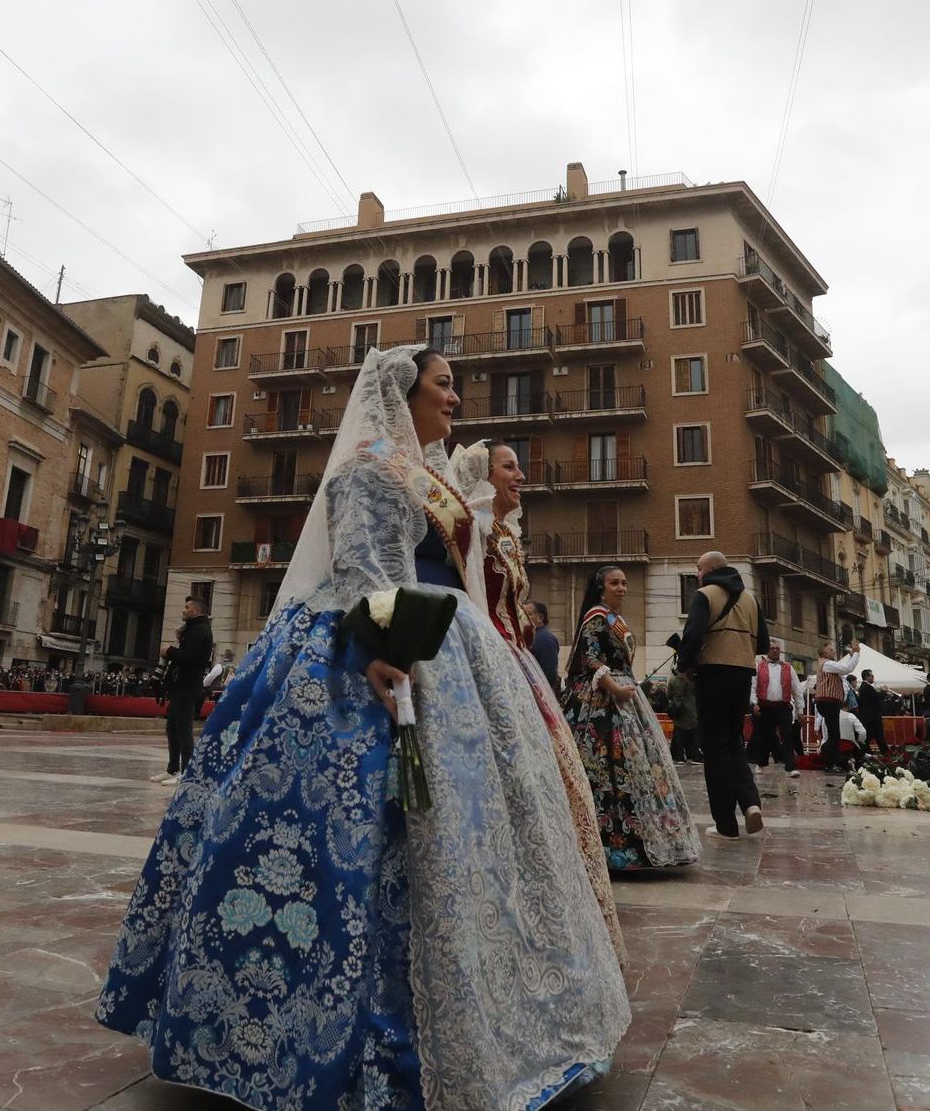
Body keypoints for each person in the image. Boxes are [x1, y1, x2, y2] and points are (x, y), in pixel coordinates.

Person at [94, 346, 629, 1107]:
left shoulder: (431, 473)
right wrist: (385, 649)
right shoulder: (371, 467)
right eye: (444, 385)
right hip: (384, 649)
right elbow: (366, 571)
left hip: (452, 648)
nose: (454, 399)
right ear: (402, 392)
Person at [453, 439, 623, 962]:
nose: (521, 475)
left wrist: (523, 624)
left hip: (518, 664)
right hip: (492, 662)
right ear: (484, 476)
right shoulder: (475, 529)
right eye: (510, 467)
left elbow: (513, 606)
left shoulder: (506, 532)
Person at [570, 564, 703, 863]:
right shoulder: (597, 616)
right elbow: (589, 658)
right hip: (602, 701)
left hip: (625, 697)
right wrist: (614, 688)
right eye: (614, 583)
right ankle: (610, 845)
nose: (621, 588)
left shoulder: (616, 618)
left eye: (624, 583)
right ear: (600, 587)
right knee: (606, 767)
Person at [675, 551, 765, 840]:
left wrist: (683, 665)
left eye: (698, 568)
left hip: (713, 674)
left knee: (714, 749)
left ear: (711, 569)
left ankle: (726, 824)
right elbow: (762, 641)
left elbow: (692, 635)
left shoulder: (704, 594)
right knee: (734, 742)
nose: (697, 573)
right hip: (742, 675)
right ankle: (751, 803)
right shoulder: (751, 599)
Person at [155, 595, 212, 784]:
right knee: (172, 727)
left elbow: (190, 657)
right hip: (181, 686)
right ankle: (172, 769)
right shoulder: (193, 629)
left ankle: (186, 772)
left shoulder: (200, 630)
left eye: (186, 607)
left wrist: (169, 651)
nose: (183, 610)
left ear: (195, 611)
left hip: (188, 687)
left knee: (183, 729)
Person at [812, 638, 858, 771]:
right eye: (830, 650)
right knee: (834, 733)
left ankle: (831, 760)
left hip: (828, 702)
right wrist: (856, 653)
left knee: (832, 732)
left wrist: (850, 655)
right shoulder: (827, 664)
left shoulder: (827, 664)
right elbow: (847, 668)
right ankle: (830, 762)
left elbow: (843, 668)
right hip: (828, 701)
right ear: (824, 653)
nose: (833, 651)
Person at [748, 643, 795, 771]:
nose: (775, 650)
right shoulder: (759, 667)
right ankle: (761, 763)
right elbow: (752, 687)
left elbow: (796, 689)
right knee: (765, 736)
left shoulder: (788, 668)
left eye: (777, 648)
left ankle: (791, 766)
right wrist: (754, 703)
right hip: (765, 706)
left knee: (787, 736)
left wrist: (800, 710)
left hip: (783, 706)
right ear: (767, 650)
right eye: (772, 648)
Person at [813, 705, 869, 771]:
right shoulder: (851, 716)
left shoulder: (827, 717)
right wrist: (859, 742)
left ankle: (836, 764)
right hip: (849, 747)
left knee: (825, 748)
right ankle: (851, 761)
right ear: (845, 707)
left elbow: (825, 737)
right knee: (863, 746)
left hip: (833, 747)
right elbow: (863, 732)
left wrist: (821, 750)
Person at [666, 668, 701, 764]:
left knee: (678, 733)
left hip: (678, 709)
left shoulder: (673, 680)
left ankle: (679, 756)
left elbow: (668, 695)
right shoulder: (693, 679)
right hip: (692, 709)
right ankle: (695, 756)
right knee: (694, 733)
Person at [529, 600, 561, 698]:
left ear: (540, 618)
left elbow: (549, 674)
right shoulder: (533, 636)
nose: (523, 618)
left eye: (528, 614)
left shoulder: (544, 638)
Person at [855, 668, 886, 757]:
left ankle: (884, 753)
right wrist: (883, 691)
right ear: (867, 676)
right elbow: (877, 698)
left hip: (872, 718)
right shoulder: (866, 687)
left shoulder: (866, 687)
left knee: (879, 738)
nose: (873, 678)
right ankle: (867, 754)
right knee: (869, 739)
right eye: (872, 676)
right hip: (871, 719)